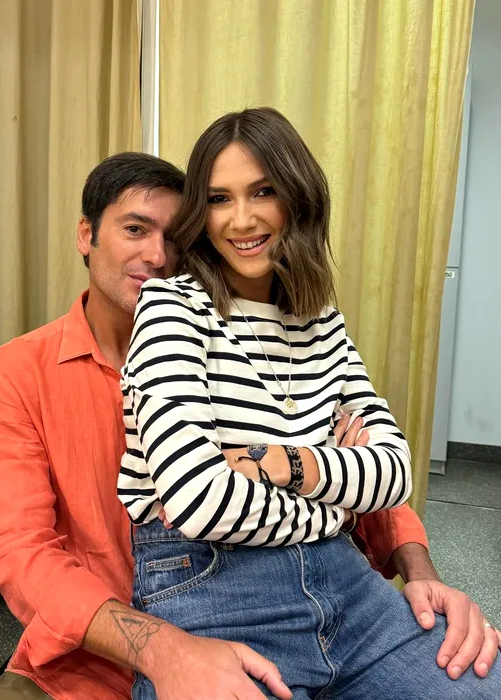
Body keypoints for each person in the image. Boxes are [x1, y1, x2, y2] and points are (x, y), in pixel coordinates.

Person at [0, 152, 499, 700]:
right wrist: (162, 649)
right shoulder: (16, 374)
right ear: (87, 235)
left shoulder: (252, 337)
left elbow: (370, 469)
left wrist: (422, 574)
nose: (158, 256)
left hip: (308, 591)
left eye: (176, 238)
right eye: (135, 230)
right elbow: (22, 554)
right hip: (100, 651)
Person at [118, 109, 501, 700]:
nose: (241, 219)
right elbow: (198, 502)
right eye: (219, 199)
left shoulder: (322, 322)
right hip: (212, 590)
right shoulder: (170, 309)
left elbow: (395, 473)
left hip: (348, 588)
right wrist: (336, 502)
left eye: (263, 191)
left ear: (297, 198)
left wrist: (284, 463)